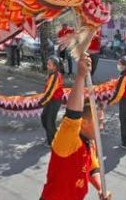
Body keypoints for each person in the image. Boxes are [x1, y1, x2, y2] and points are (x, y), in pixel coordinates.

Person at [40, 54, 111, 200]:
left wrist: (100, 188)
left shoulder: (90, 142)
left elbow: (93, 168)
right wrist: (80, 76)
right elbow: (73, 114)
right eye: (100, 122)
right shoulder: (67, 139)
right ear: (84, 122)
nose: (102, 127)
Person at [108, 56, 126, 150]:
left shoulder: (123, 77)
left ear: (124, 66)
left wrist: (110, 102)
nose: (118, 65)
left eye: (120, 64)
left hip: (125, 102)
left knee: (125, 122)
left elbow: (119, 93)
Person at [40, 56, 65, 146]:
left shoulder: (56, 76)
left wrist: (42, 102)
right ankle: (52, 136)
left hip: (54, 101)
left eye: (49, 65)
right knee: (44, 118)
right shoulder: (52, 74)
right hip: (50, 100)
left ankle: (53, 141)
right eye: (47, 64)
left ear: (55, 66)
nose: (47, 66)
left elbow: (50, 91)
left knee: (49, 121)